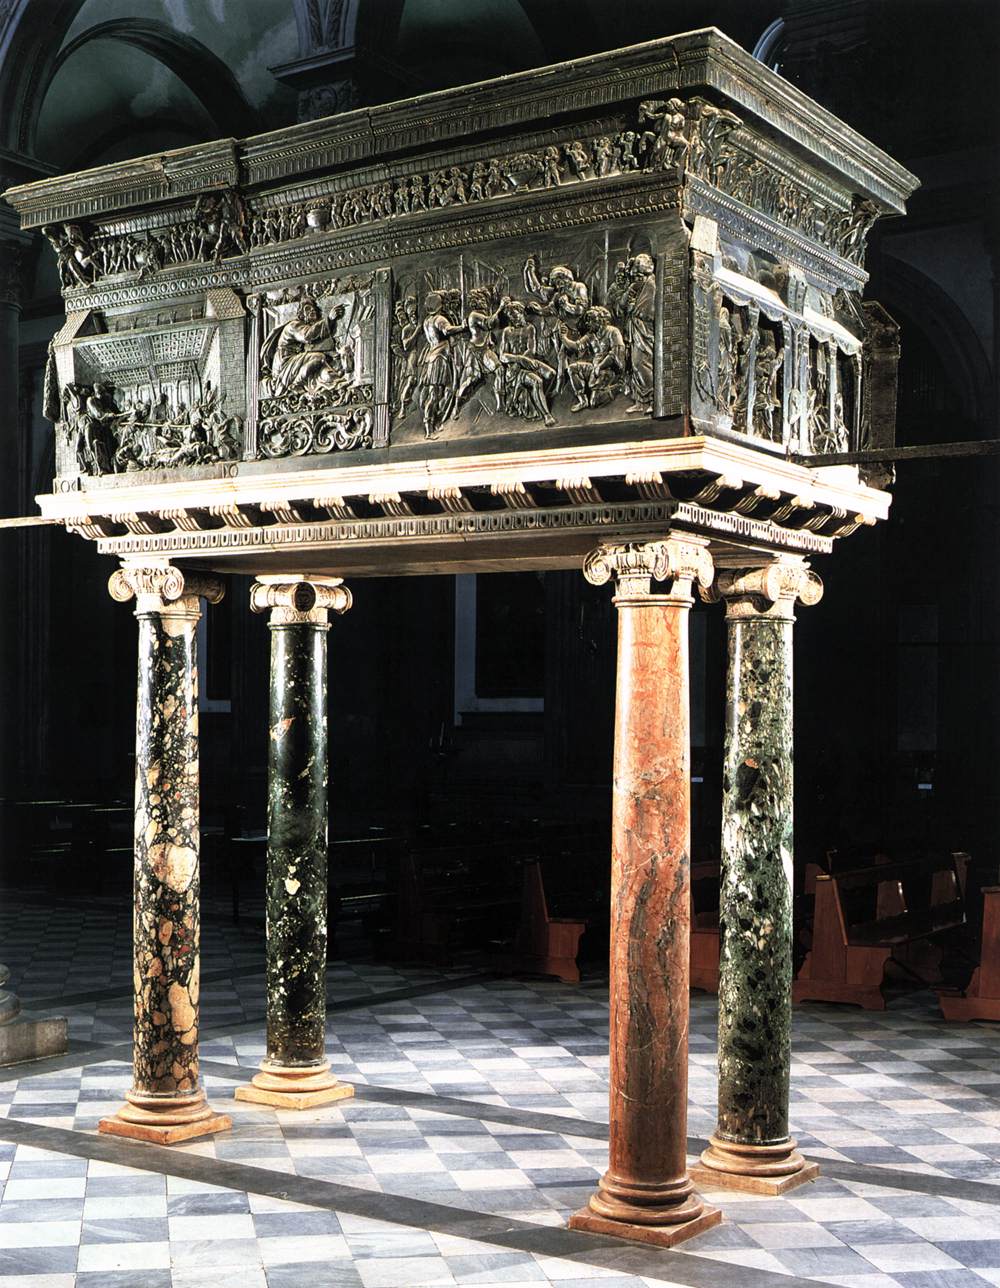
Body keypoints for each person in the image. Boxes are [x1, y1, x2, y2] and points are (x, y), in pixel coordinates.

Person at [498, 300, 556, 427]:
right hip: (514, 368)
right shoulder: (507, 331)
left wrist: (523, 360)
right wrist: (518, 359)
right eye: (511, 317)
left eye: (515, 315)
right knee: (537, 382)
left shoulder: (530, 328)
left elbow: (531, 350)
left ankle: (539, 397)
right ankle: (546, 415)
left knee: (552, 374)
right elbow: (502, 356)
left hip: (528, 361)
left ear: (521, 313)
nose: (513, 319)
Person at [561, 306, 627, 410]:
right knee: (572, 369)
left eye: (591, 320)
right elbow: (577, 346)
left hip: (609, 370)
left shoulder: (613, 332)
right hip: (595, 368)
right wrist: (564, 337)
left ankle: (619, 387)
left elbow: (616, 354)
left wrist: (600, 366)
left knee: (595, 402)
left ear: (600, 321)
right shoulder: (591, 335)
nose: (588, 323)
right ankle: (583, 401)